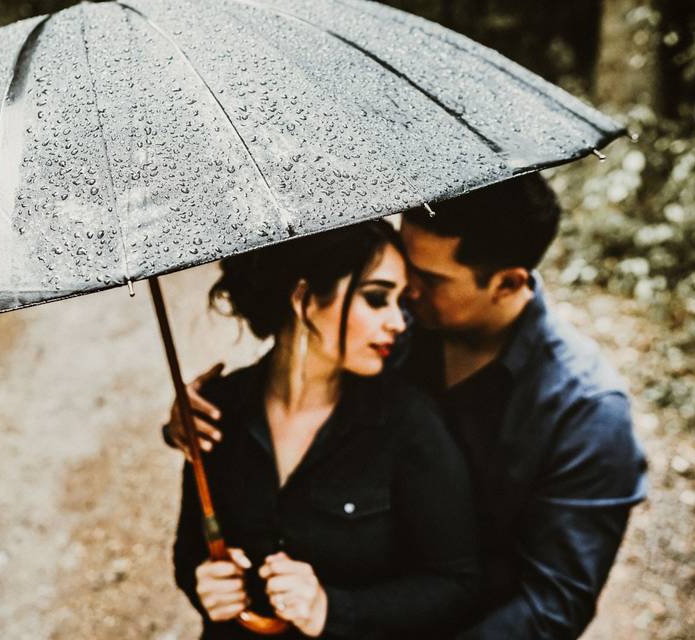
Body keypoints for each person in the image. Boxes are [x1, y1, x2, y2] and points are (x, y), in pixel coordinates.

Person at [167, 175, 648, 639]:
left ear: (507, 283)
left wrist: (341, 612)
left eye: (428, 280)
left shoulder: (588, 414)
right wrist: (195, 419)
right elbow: (306, 358)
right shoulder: (393, 339)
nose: (408, 296)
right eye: (395, 282)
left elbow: (552, 607)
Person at [171, 220, 481, 638]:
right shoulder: (216, 412)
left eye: (399, 301)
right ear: (303, 300)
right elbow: (190, 552)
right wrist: (204, 584)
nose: (398, 322)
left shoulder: (409, 425)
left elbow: (457, 586)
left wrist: (331, 609)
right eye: (376, 299)